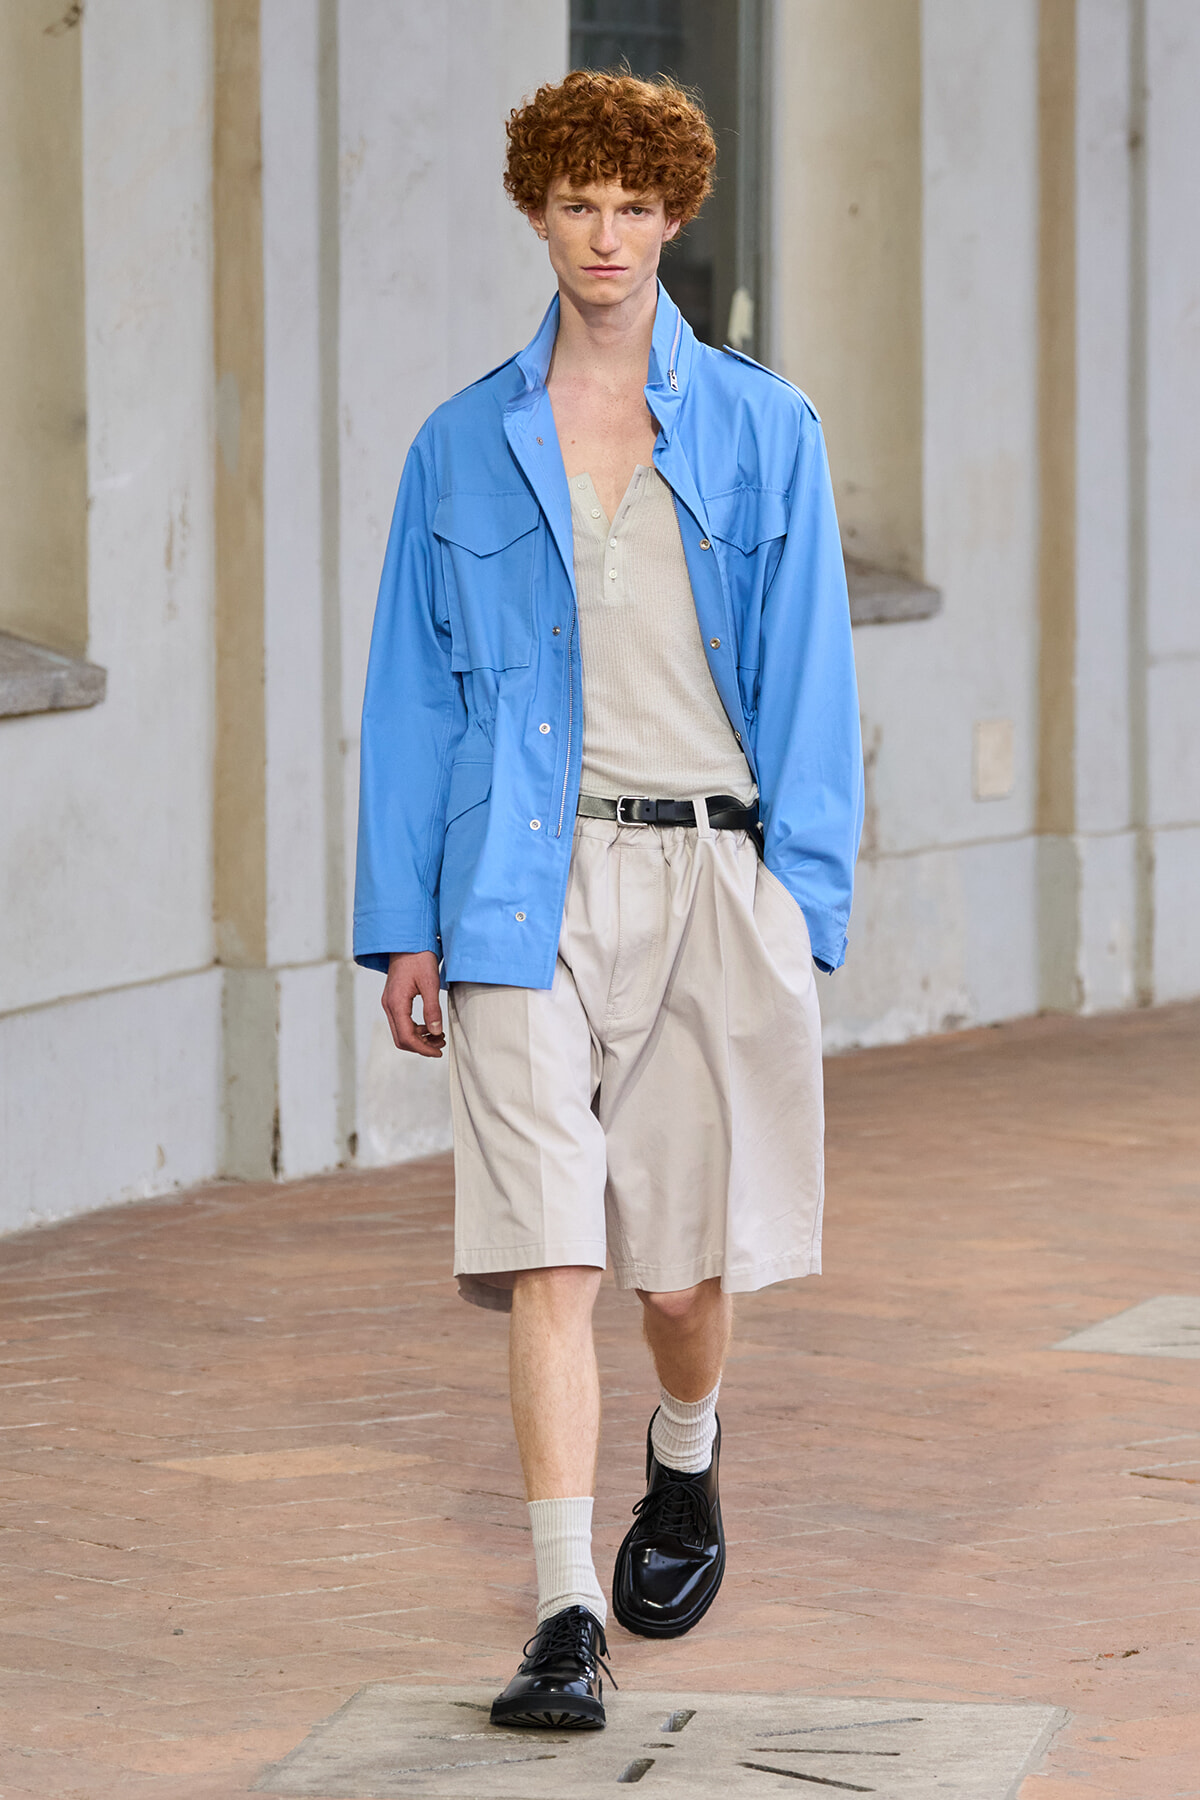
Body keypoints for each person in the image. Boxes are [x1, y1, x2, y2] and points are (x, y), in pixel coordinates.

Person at [354, 69, 863, 1731]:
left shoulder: (763, 429)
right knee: (549, 1249)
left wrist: (804, 918)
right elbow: (414, 698)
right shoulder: (460, 443)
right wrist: (401, 918)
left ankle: (689, 1458)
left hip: (711, 876)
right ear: (537, 213)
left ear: (674, 217)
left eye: (634, 206)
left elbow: (811, 688)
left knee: (675, 1276)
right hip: (519, 880)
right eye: (577, 203)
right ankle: (564, 1607)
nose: (606, 235)